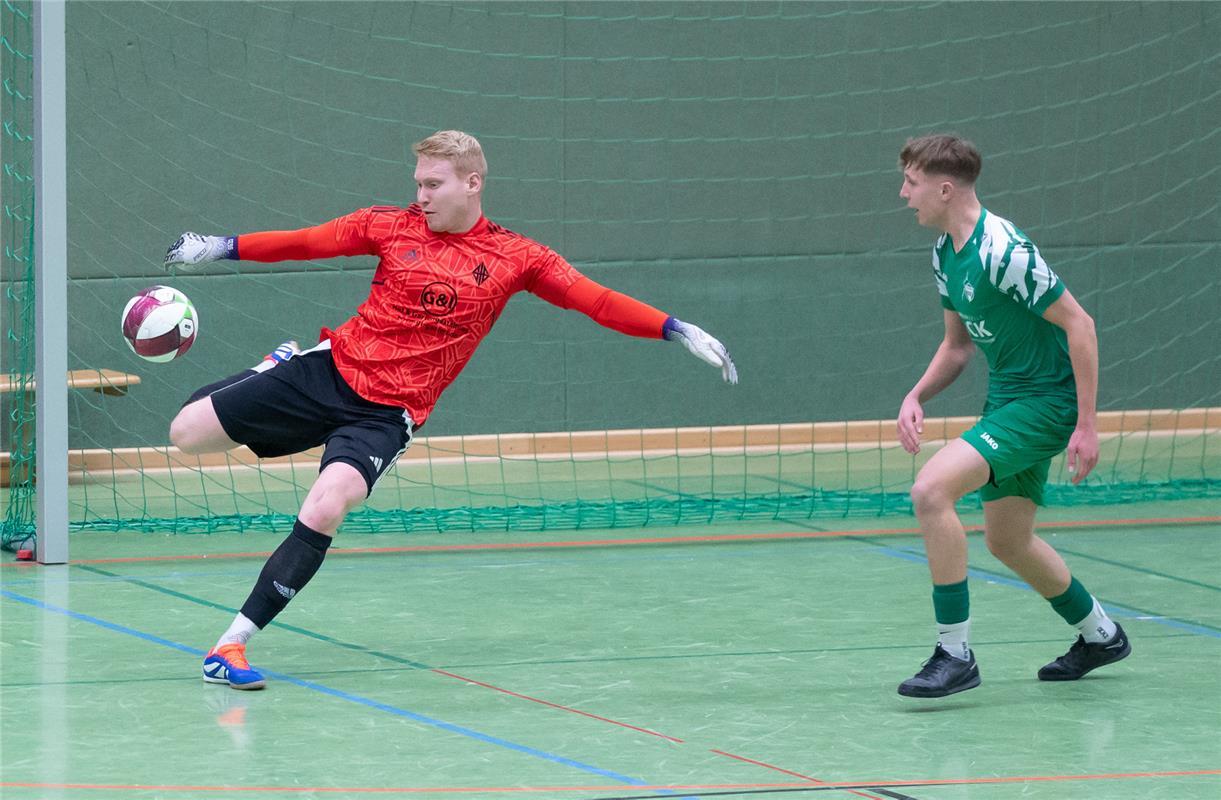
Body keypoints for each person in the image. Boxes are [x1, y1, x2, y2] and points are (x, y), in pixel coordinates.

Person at [164, 130, 738, 690]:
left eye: (434, 185)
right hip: (330, 369)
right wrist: (222, 245)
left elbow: (596, 300)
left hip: (386, 415)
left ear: (472, 183)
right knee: (186, 433)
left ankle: (229, 646)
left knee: (328, 505)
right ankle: (277, 363)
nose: (421, 196)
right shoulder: (390, 225)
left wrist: (673, 328)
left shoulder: (517, 258)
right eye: (417, 183)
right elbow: (308, 241)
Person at [894, 134, 1130, 698]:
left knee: (930, 491)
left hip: (1048, 402)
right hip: (1009, 398)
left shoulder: (1003, 251)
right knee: (1009, 540)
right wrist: (916, 395)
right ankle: (1101, 635)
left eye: (911, 182)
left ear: (945, 188)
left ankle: (955, 653)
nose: (904, 194)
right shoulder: (945, 254)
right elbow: (958, 347)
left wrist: (1087, 425)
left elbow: (1081, 325)